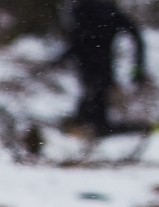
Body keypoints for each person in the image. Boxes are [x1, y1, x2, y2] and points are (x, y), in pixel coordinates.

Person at [57, 0, 149, 134]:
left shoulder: (86, 9)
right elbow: (136, 36)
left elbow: (77, 38)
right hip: (97, 65)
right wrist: (137, 68)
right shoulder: (102, 10)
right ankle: (84, 126)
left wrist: (137, 69)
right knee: (93, 97)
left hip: (92, 65)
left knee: (94, 97)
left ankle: (83, 126)